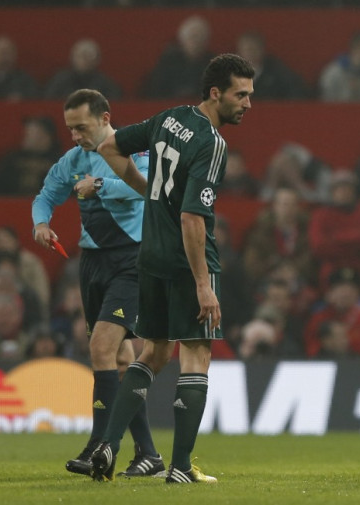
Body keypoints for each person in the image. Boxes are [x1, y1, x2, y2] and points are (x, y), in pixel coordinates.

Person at [91, 53, 255, 484]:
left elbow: (108, 146)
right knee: (196, 356)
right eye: (241, 95)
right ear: (215, 93)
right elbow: (192, 217)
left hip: (150, 257)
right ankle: (180, 467)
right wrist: (204, 283)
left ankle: (107, 444)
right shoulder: (212, 143)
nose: (248, 104)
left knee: (154, 351)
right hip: (187, 260)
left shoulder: (168, 119)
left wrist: (148, 194)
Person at [30, 89, 162, 478]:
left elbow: (147, 187)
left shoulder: (131, 150)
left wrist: (100, 187)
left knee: (101, 346)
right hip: (93, 266)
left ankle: (98, 447)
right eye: (70, 129)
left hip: (132, 262)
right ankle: (149, 455)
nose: (74, 136)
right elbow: (46, 195)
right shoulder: (72, 161)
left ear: (105, 118)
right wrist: (41, 223)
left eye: (81, 127)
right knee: (120, 360)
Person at [140, 15, 215, 100]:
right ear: (182, 39)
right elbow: (157, 90)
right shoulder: (168, 61)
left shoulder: (213, 63)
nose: (197, 42)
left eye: (202, 38)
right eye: (193, 37)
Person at [235, 30, 310, 100]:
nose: (251, 53)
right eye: (247, 49)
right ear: (239, 51)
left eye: (254, 48)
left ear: (262, 50)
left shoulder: (276, 71)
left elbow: (296, 90)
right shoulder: (230, 73)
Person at [0, 116, 63, 196]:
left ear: (45, 137)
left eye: (31, 132)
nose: (26, 135)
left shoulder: (60, 162)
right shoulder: (11, 159)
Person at [44, 39, 122, 100]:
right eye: (80, 55)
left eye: (88, 56)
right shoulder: (60, 80)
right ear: (72, 57)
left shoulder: (105, 83)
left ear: (97, 59)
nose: (83, 60)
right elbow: (49, 102)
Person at [0, 35, 39, 100]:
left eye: (8, 53)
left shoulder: (24, 80)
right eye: (2, 52)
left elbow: (35, 100)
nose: (5, 57)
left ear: (14, 54)